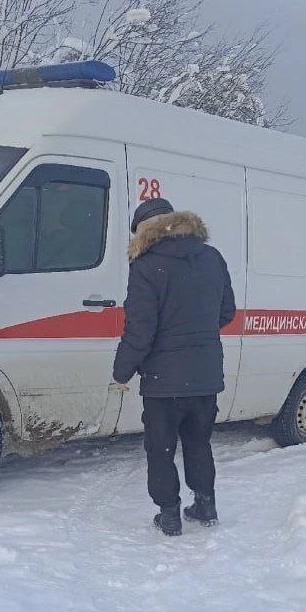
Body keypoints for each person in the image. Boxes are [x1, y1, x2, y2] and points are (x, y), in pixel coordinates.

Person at [112, 198, 236, 536]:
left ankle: (169, 514)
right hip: (206, 375)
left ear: (143, 230)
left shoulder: (146, 266)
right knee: (199, 441)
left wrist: (121, 371)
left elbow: (140, 330)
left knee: (161, 447)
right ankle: (205, 503)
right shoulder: (212, 258)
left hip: (163, 380)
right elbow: (227, 312)